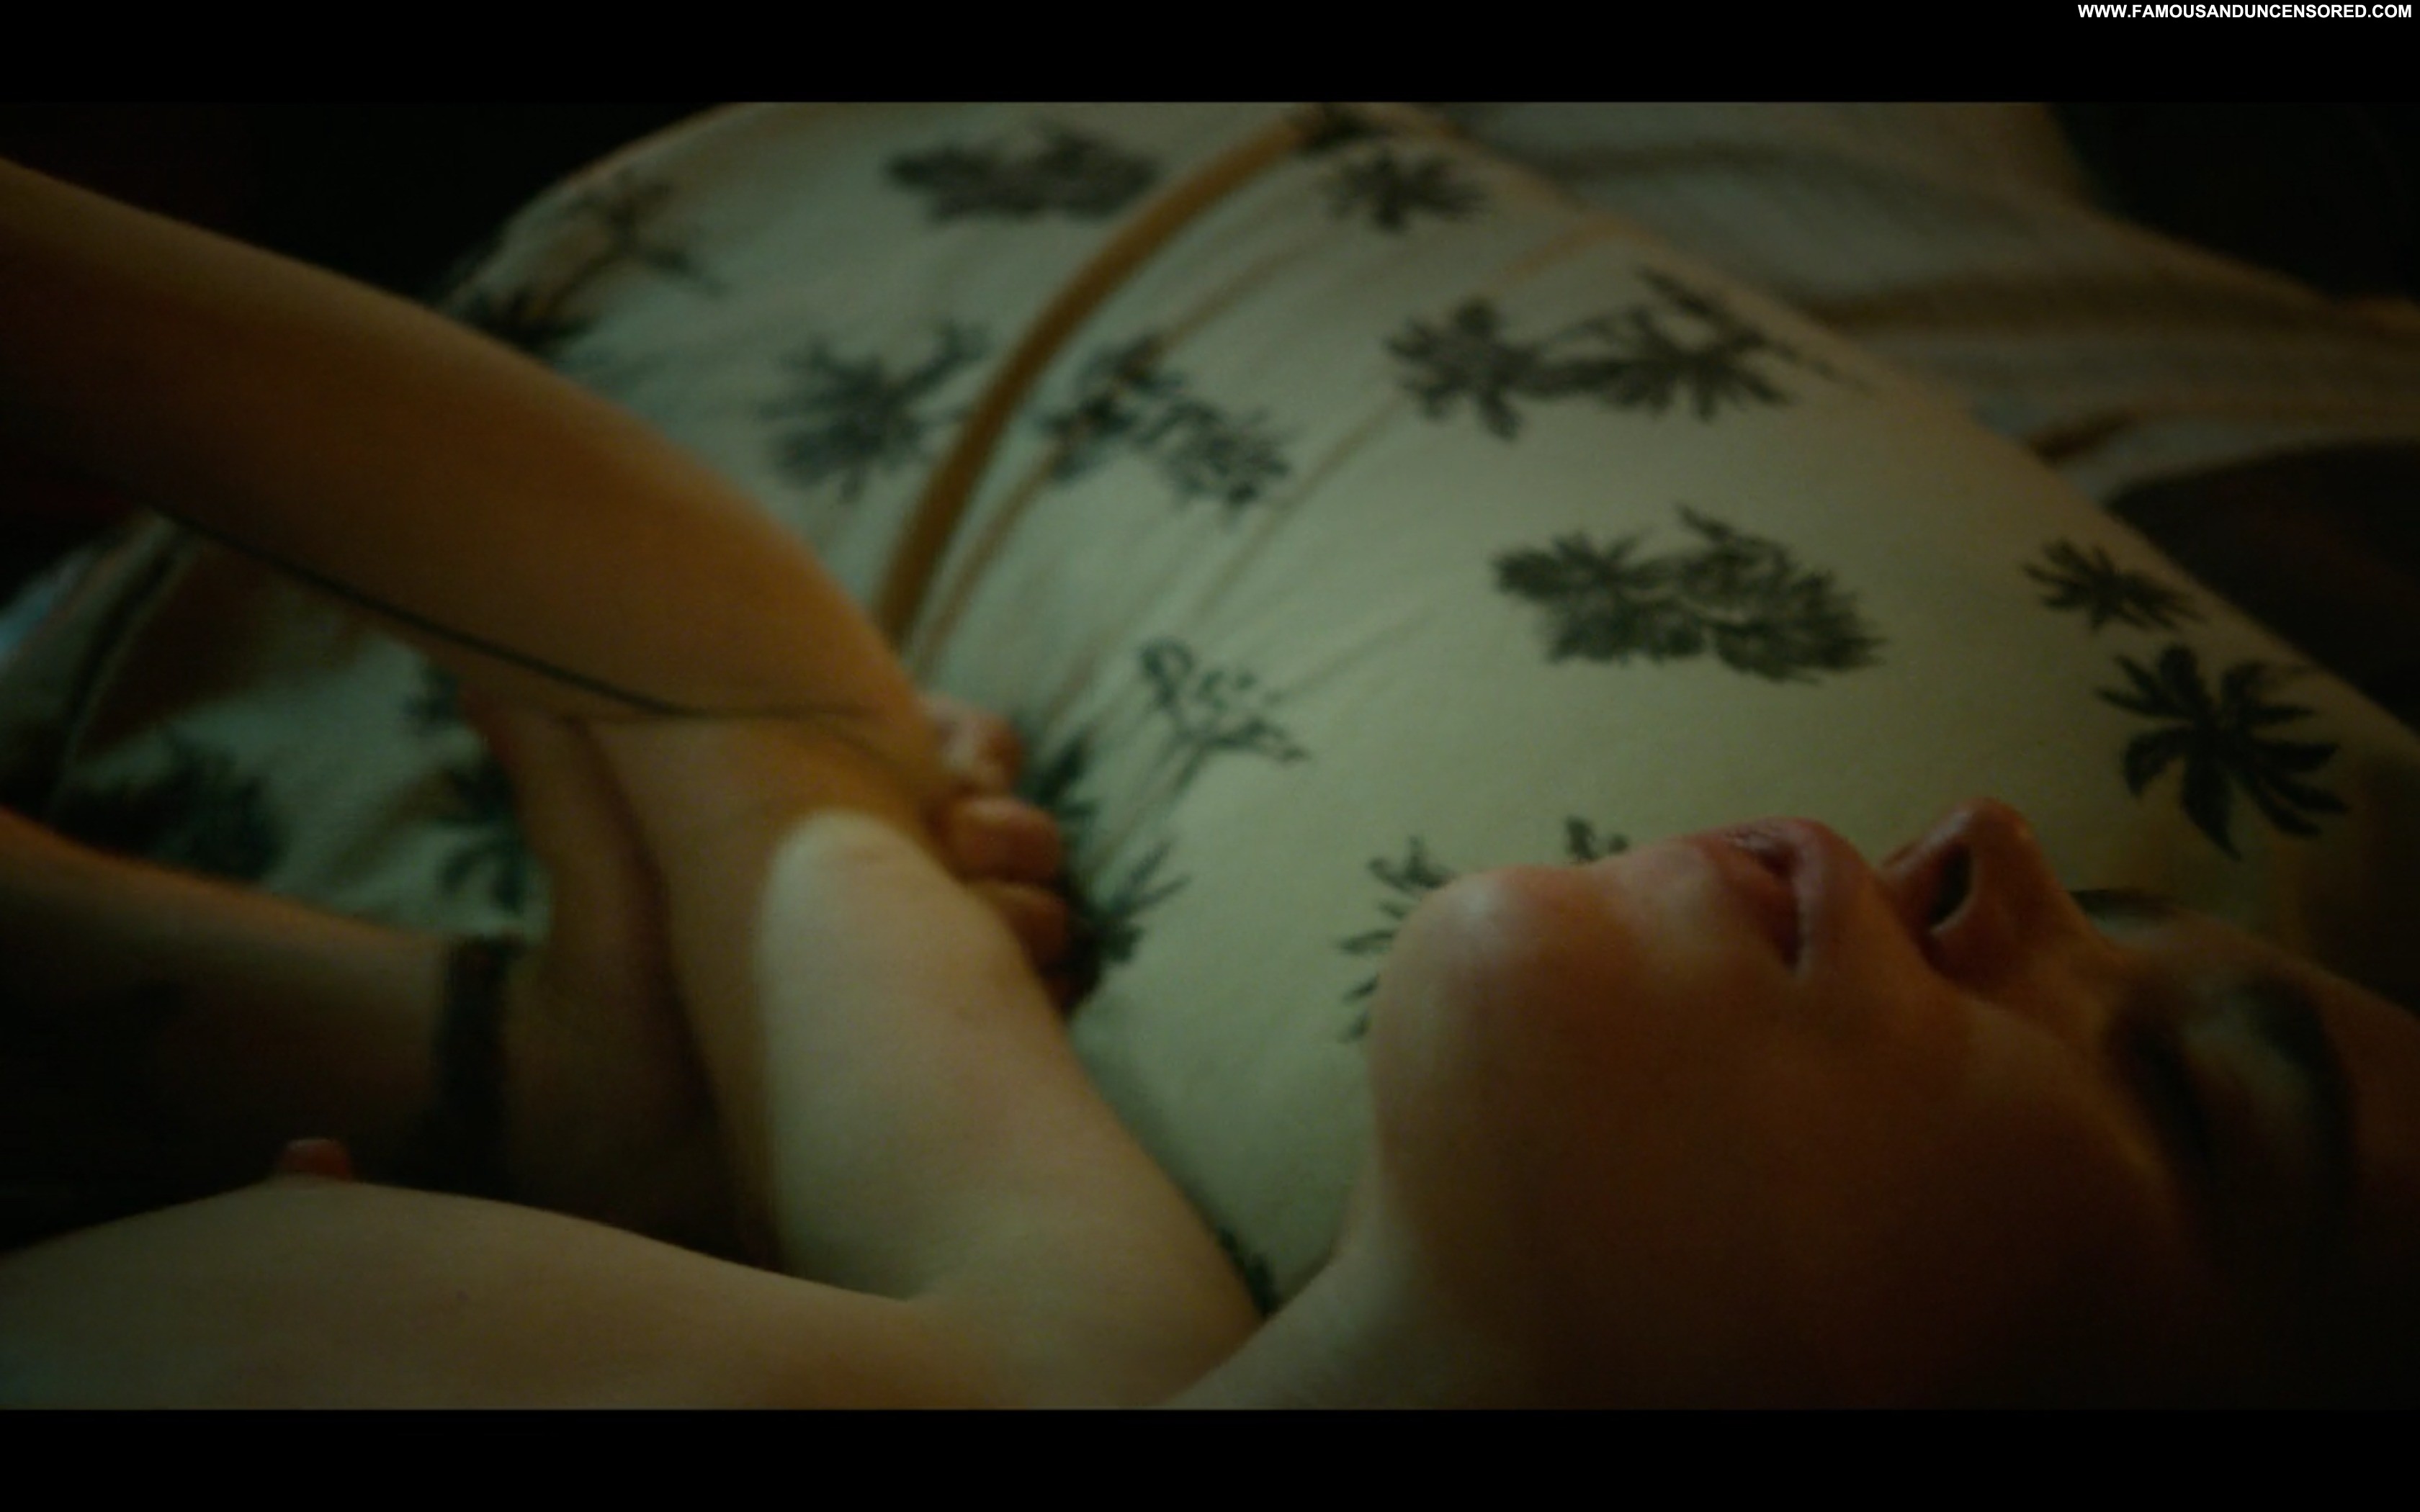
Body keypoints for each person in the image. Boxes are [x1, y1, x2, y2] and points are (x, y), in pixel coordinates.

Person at [3, 114, 2419, 1405]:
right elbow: (740, 707)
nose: (1991, 842)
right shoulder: (1075, 1339)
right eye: (2125, 920)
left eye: (2204, 1097)